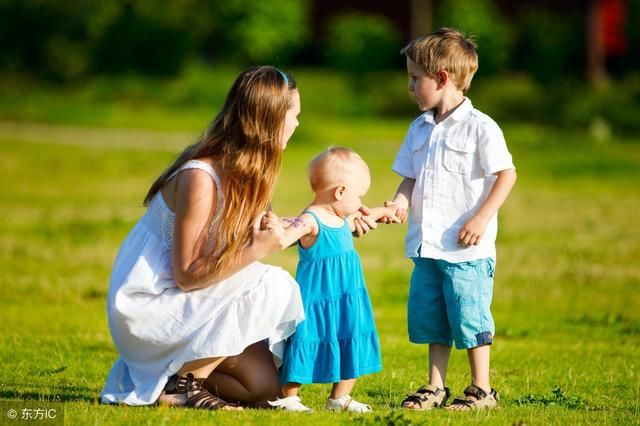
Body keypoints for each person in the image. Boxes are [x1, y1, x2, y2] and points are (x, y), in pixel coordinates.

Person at [101, 66, 310, 411]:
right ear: (270, 120)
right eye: (294, 115)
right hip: (150, 304)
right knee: (274, 282)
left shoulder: (252, 175)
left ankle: (164, 375)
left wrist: (327, 219)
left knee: (261, 386)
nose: (297, 124)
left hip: (188, 301)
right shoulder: (201, 175)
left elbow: (260, 235)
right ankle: (184, 384)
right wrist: (256, 250)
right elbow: (186, 275)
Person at [386, 28, 517, 411]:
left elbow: (506, 175)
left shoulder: (481, 127)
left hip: (466, 249)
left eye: (415, 79)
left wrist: (481, 217)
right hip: (427, 245)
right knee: (433, 316)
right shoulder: (419, 128)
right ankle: (435, 386)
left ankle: (482, 389)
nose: (410, 87)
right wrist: (397, 204)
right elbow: (410, 176)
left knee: (469, 314)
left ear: (441, 79)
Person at [264, 147, 399, 412]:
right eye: (358, 195)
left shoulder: (340, 219)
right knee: (304, 339)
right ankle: (289, 397)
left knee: (352, 336)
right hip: (316, 299)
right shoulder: (311, 220)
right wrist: (276, 225)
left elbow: (362, 216)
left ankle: (339, 398)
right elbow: (285, 237)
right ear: (339, 192)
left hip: (348, 296)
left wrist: (384, 213)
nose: (361, 202)